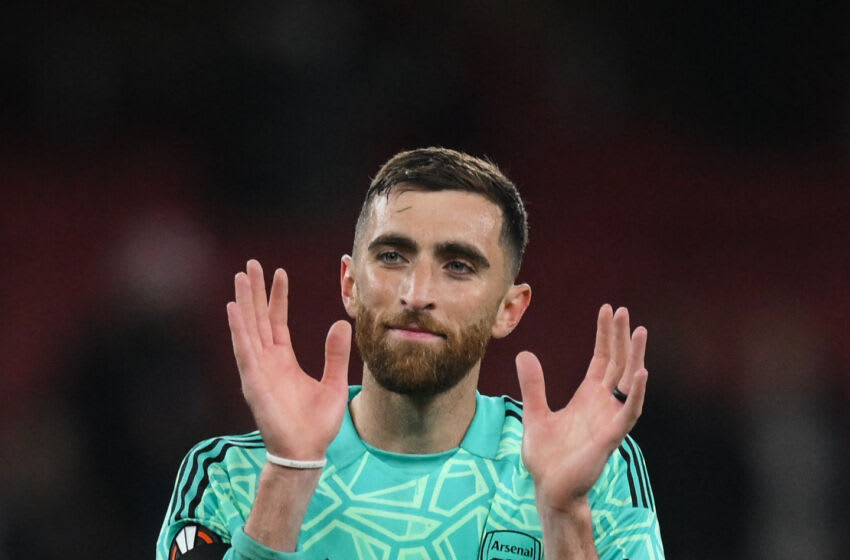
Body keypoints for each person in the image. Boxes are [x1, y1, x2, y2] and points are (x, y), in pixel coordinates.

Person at [156, 147, 664, 559]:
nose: (417, 294)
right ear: (349, 284)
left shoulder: (591, 469)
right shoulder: (232, 473)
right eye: (393, 256)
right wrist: (289, 472)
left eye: (458, 265)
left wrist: (563, 515)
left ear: (509, 309)